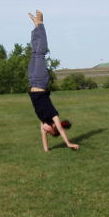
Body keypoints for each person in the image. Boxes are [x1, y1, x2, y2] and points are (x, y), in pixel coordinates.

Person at [27, 11, 79, 152]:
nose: (44, 131)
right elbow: (61, 130)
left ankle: (36, 27)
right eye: (48, 131)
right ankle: (41, 24)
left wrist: (46, 149)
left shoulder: (43, 120)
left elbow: (43, 136)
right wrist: (68, 144)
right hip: (40, 81)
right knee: (40, 52)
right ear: (53, 127)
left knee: (34, 52)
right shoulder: (52, 115)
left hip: (32, 81)